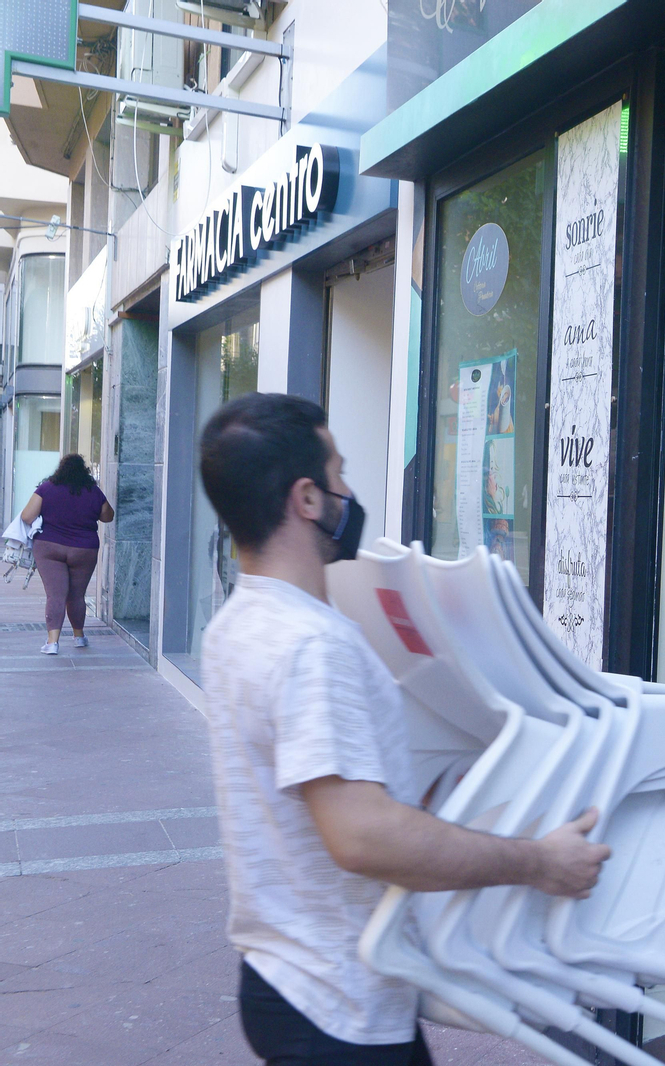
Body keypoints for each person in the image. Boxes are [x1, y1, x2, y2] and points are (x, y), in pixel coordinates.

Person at [197, 392, 610, 1065]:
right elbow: (363, 838)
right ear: (306, 499)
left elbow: (311, 797)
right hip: (336, 1006)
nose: (348, 491)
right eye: (339, 473)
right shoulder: (311, 645)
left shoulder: (235, 625)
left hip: (287, 979)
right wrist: (538, 861)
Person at [19, 453, 113, 655]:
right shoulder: (93, 492)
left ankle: (52, 642)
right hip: (84, 549)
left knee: (55, 595)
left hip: (49, 547)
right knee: (77, 595)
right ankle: (79, 637)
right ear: (84, 472)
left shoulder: (46, 489)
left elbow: (27, 516)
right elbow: (108, 516)